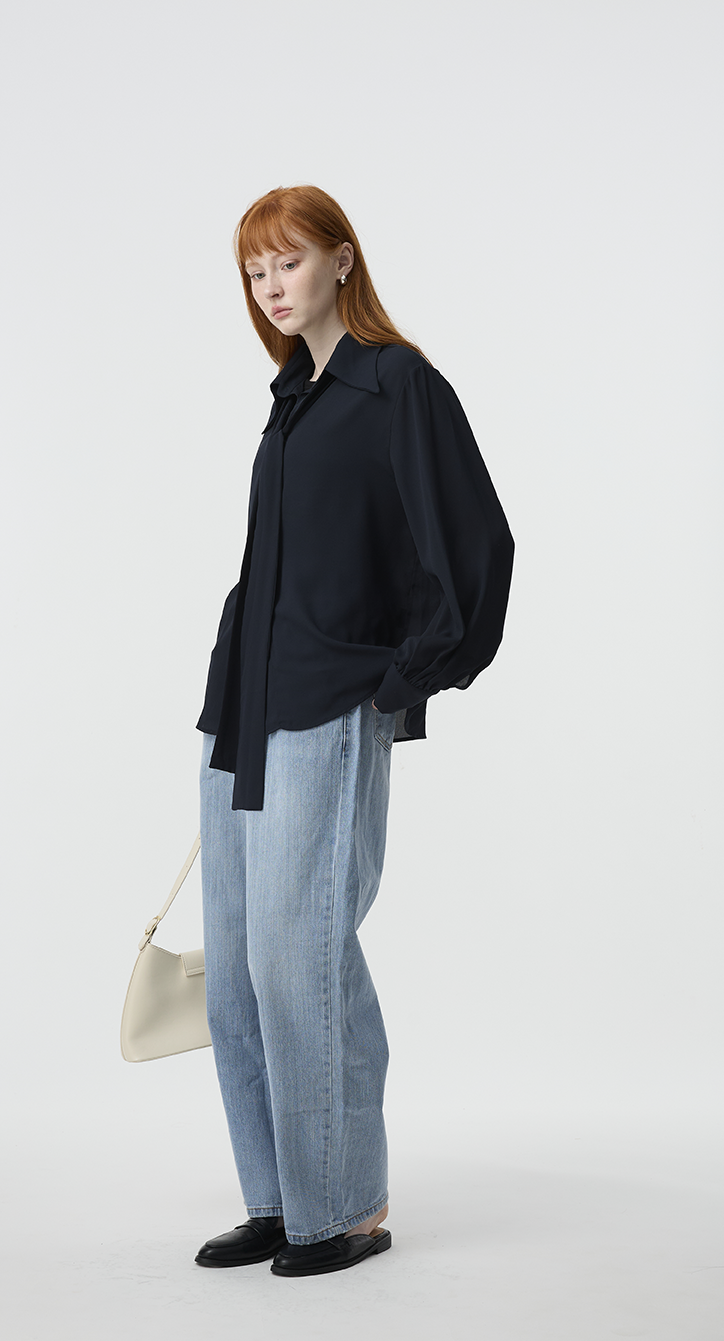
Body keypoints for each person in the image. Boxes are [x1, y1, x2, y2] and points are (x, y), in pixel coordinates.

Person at [192, 184, 514, 1278]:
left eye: (285, 261)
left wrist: (402, 679)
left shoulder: (397, 383)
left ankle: (348, 1207)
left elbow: (476, 544)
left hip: (327, 701)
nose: (269, 286)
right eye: (253, 272)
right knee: (236, 975)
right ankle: (281, 1198)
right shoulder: (293, 399)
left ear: (340, 259)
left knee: (301, 956)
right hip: (240, 704)